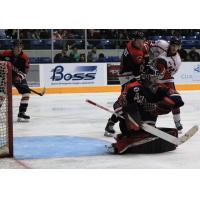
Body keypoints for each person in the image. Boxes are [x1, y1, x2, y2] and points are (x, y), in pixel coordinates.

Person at [106, 66, 184, 154]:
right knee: (129, 107)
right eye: (153, 78)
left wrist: (157, 106)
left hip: (149, 124)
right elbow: (118, 103)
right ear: (146, 76)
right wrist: (119, 108)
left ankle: (134, 137)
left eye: (157, 78)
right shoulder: (131, 86)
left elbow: (178, 100)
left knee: (168, 102)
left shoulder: (159, 89)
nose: (156, 80)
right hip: (130, 125)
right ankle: (128, 137)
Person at [104, 31, 149, 137]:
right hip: (127, 77)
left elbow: (145, 59)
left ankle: (133, 121)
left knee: (134, 100)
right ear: (134, 40)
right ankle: (111, 123)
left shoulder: (133, 44)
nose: (141, 42)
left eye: (142, 40)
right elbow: (136, 70)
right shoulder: (134, 52)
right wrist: (141, 78)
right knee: (126, 100)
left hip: (130, 74)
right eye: (139, 41)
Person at [149, 37, 183, 130]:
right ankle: (151, 122)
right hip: (155, 79)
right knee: (152, 101)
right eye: (172, 45)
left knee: (174, 100)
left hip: (167, 81)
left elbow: (167, 74)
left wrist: (158, 72)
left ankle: (177, 122)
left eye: (176, 46)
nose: (174, 48)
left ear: (179, 47)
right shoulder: (162, 44)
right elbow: (148, 45)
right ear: (169, 44)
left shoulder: (177, 61)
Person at [0, 40, 31, 122]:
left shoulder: (25, 57)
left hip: (18, 77)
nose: (19, 49)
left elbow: (25, 71)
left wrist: (19, 77)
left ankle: (22, 113)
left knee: (26, 92)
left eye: (20, 47)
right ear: (13, 47)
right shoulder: (4, 54)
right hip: (5, 76)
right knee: (2, 94)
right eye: (17, 47)